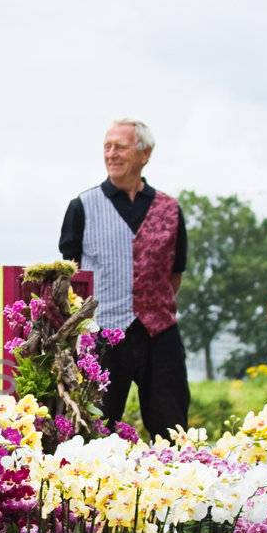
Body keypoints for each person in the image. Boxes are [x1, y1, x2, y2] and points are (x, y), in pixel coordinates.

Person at [59, 118, 189, 436]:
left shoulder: (170, 209)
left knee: (172, 429)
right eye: (107, 146)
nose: (112, 154)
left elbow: (175, 274)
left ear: (145, 154)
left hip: (159, 336)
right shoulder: (82, 207)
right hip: (103, 336)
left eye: (120, 146)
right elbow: (72, 278)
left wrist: (151, 307)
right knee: (93, 429)